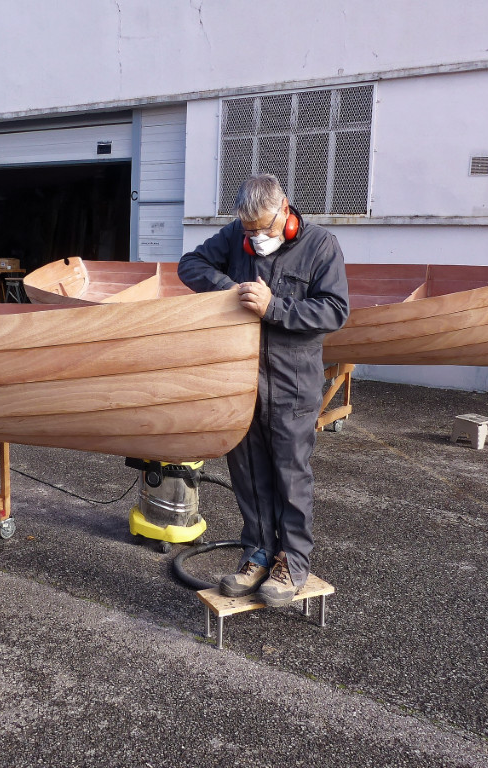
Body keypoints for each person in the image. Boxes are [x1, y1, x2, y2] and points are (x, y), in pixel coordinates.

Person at [178, 174, 350, 606]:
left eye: (266, 229)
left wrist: (274, 307)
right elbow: (190, 265)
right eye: (249, 229)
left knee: (291, 476)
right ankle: (256, 553)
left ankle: (291, 563)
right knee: (249, 474)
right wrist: (231, 290)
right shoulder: (238, 234)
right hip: (242, 379)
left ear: (286, 211)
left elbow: (334, 310)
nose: (257, 238)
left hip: (292, 382)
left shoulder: (320, 246)